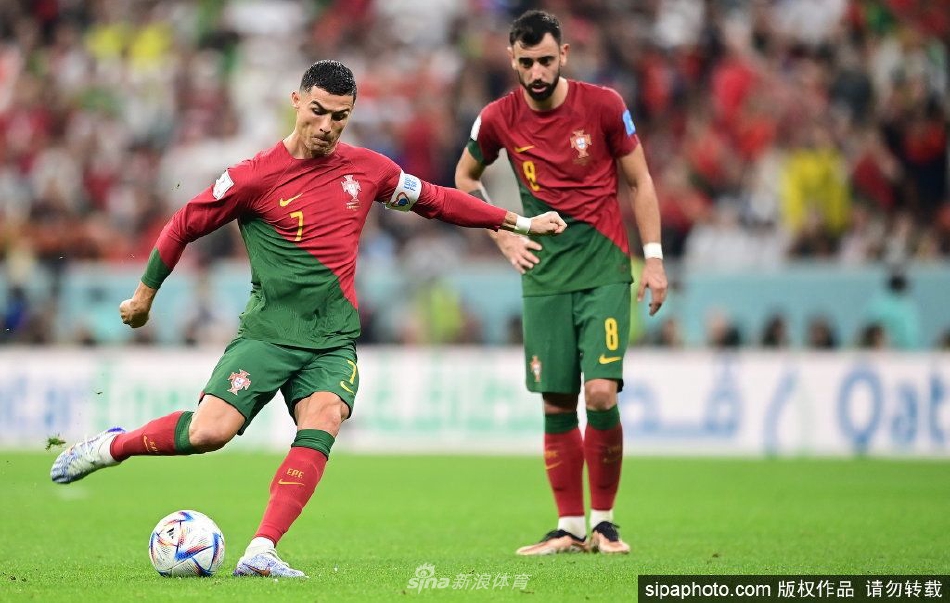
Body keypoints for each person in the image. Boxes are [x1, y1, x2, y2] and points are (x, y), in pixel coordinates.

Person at [50, 60, 566, 578]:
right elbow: (184, 223)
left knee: (325, 417)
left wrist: (518, 222)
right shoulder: (253, 176)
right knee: (209, 433)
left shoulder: (369, 170)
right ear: (296, 102)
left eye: (340, 117)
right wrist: (144, 296)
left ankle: (261, 550)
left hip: (332, 339)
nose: (326, 126)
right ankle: (111, 446)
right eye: (318, 111)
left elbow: (435, 200)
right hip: (268, 335)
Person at [455, 10, 668, 556]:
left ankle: (605, 522)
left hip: (603, 269)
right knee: (555, 401)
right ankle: (570, 527)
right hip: (543, 275)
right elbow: (464, 178)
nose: (537, 72)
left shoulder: (604, 106)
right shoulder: (497, 117)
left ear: (564, 55)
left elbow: (640, 180)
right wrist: (504, 235)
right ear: (512, 59)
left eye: (546, 60)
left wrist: (654, 258)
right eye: (526, 62)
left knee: (599, 391)